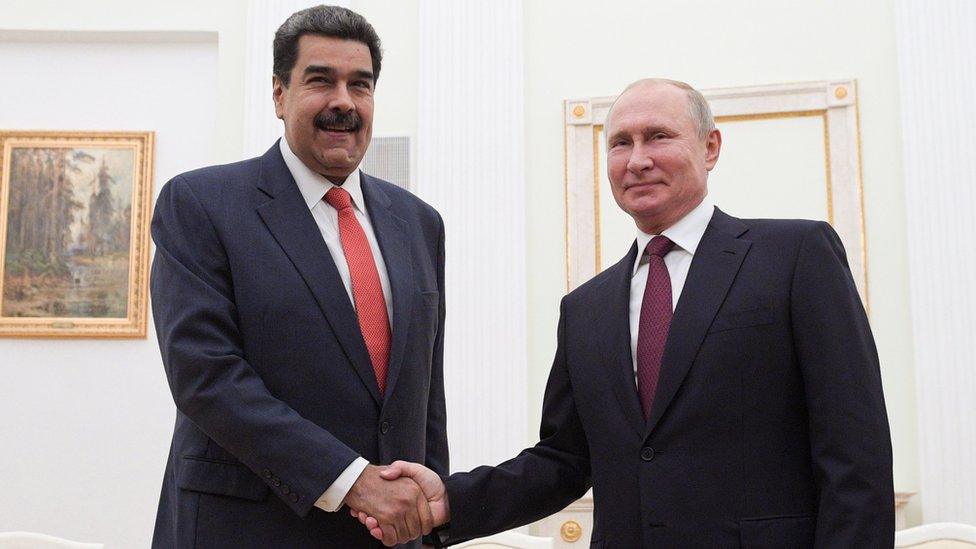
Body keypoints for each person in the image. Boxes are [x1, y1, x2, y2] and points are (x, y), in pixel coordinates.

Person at [356, 79, 894, 547]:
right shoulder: (585, 309)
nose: (637, 159)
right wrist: (448, 499)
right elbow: (563, 460)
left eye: (658, 136)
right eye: (620, 143)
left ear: (710, 147)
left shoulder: (796, 256)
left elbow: (855, 456)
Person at [149, 5, 447, 548]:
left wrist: (429, 525)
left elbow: (425, 395)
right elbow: (205, 375)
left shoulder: (418, 223)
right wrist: (353, 481)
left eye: (361, 85)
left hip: (385, 537)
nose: (343, 101)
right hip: (244, 531)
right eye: (320, 81)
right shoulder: (201, 204)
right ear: (279, 94)